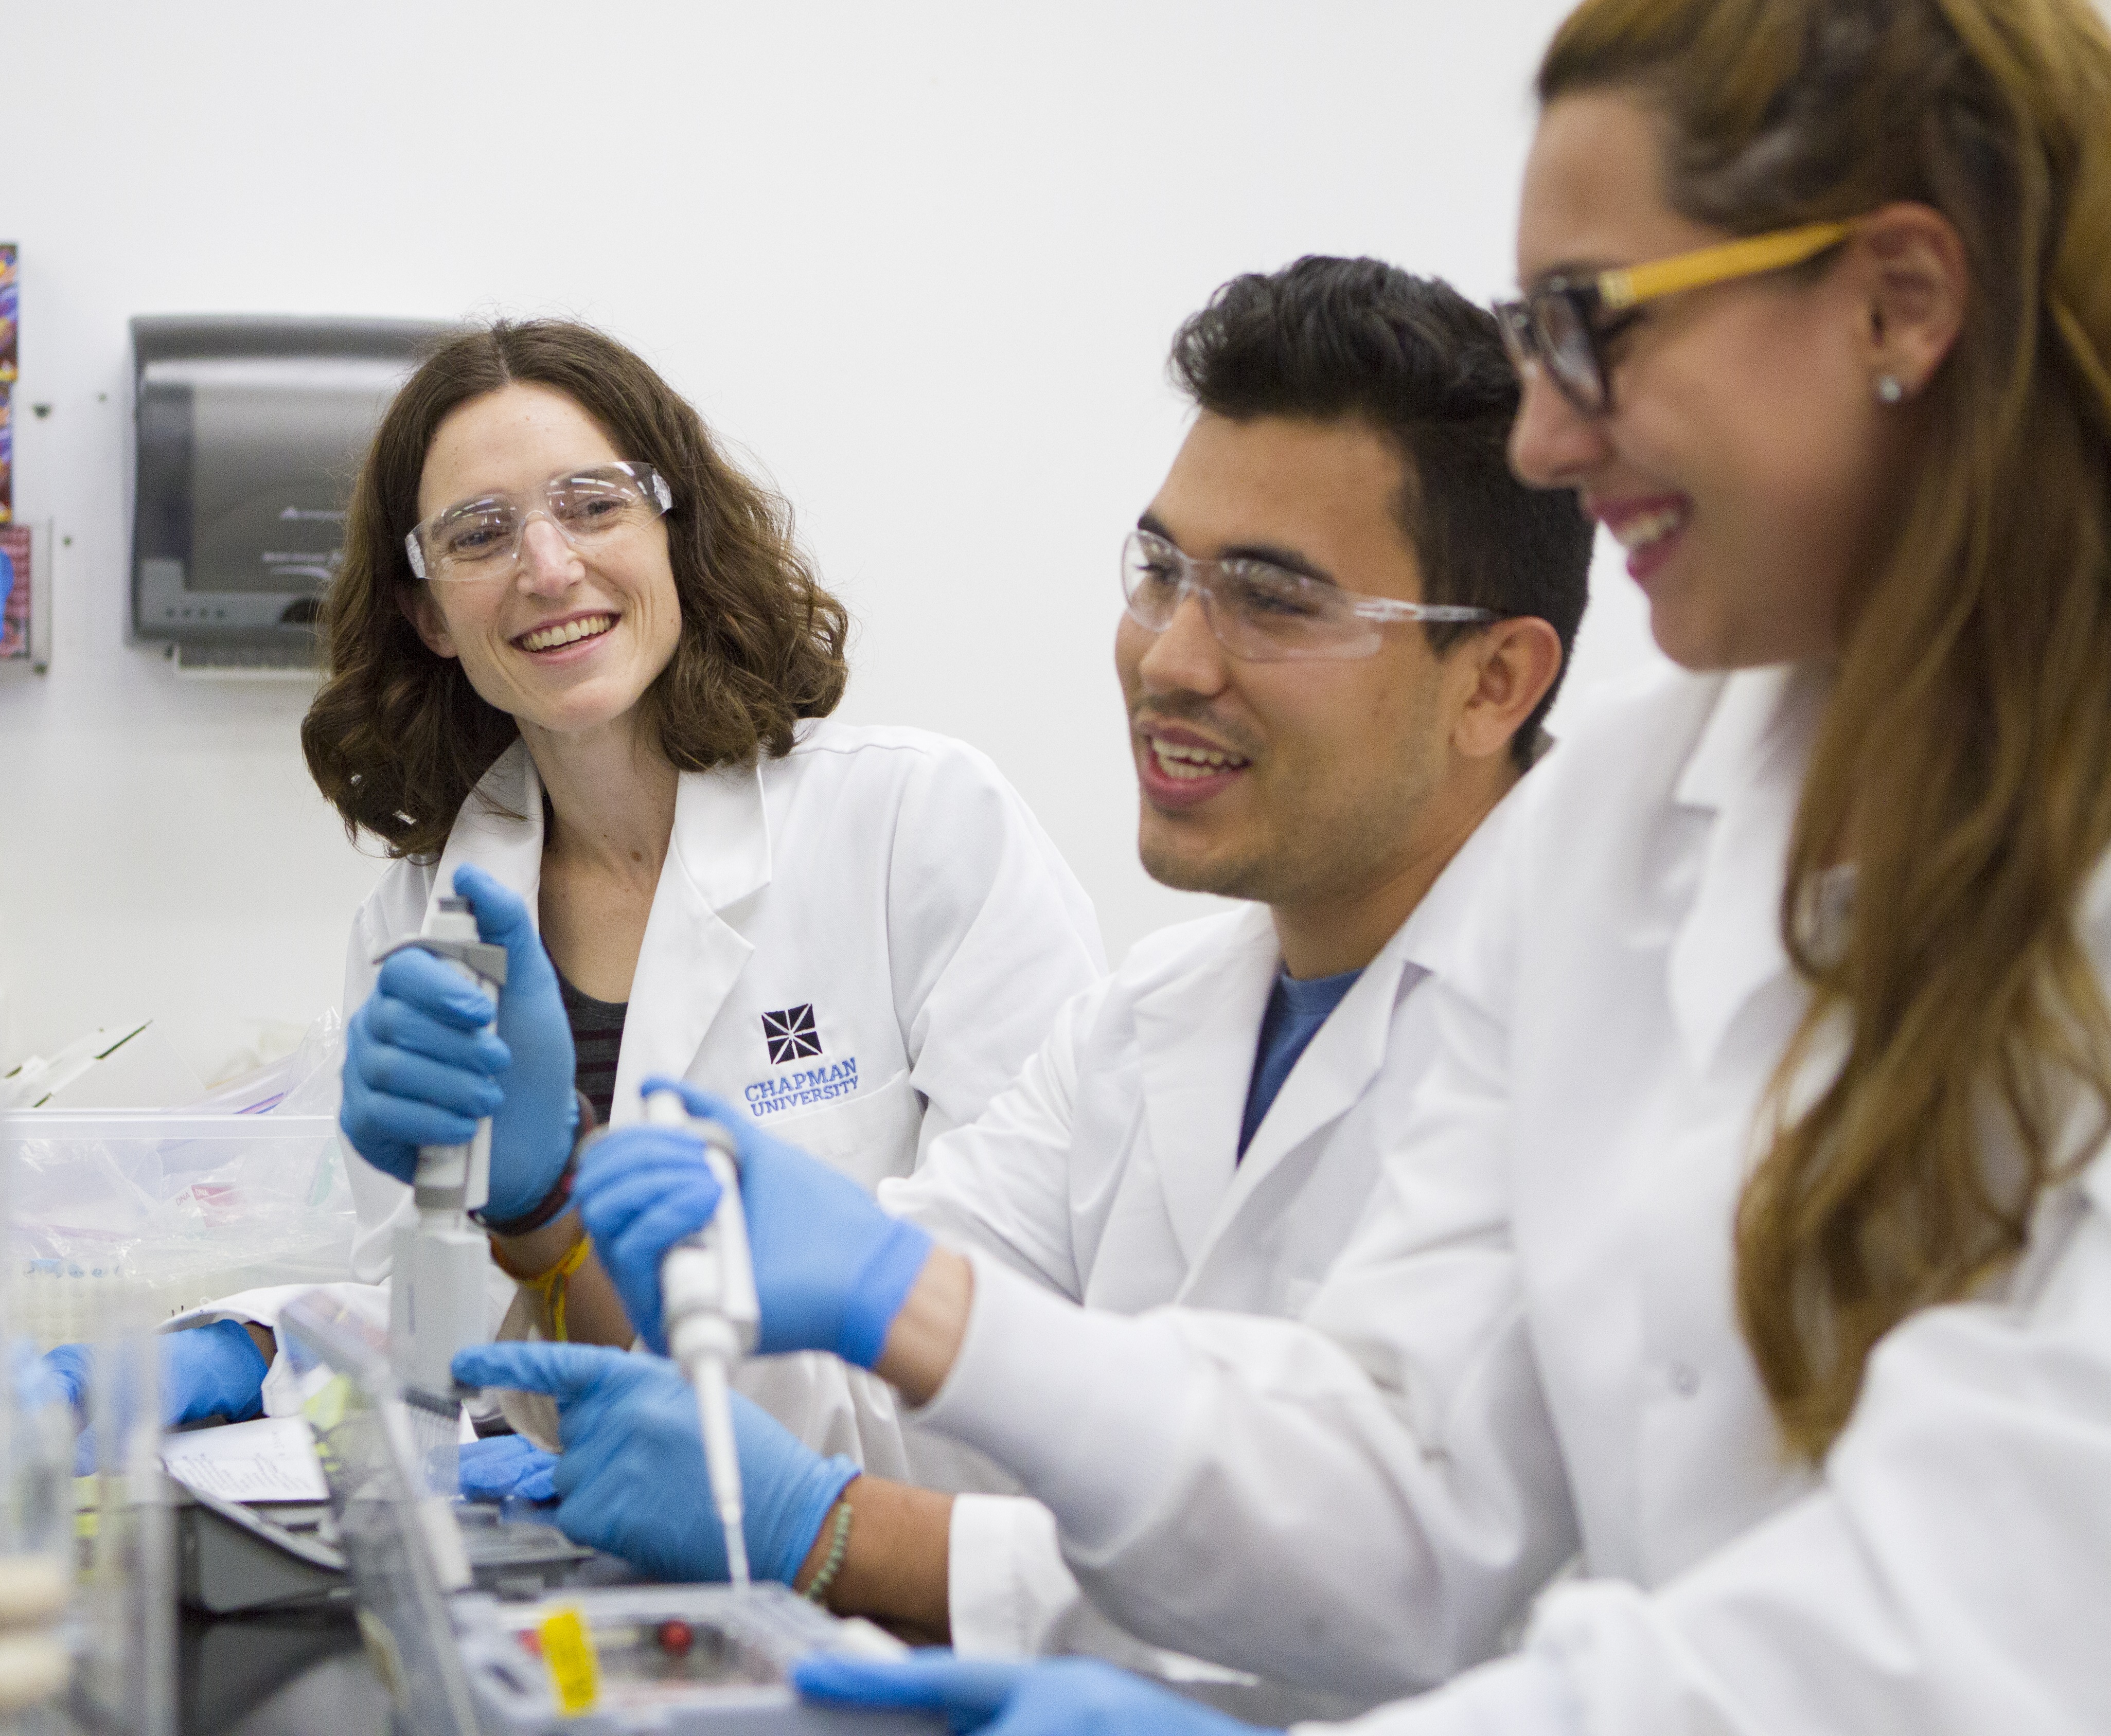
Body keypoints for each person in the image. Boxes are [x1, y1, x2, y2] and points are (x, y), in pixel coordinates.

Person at [481, 0, 2111, 1728]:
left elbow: (1974, 1623)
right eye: (1161, 571)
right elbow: (1409, 1485)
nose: (1550, 436)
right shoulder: (1633, 819)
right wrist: (925, 1302)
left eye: (1589, 326)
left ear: (1900, 303)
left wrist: (861, 1505)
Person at [463, 256, 1588, 1702]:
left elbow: (1421, 1590)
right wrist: (549, 1211)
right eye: (1163, 572)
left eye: (1273, 600)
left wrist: (841, 1539)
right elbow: (848, 1417)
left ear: (1494, 683)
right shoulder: (1153, 1024)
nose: (1172, 658)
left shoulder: (1601, 1042)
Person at [117, 319, 1105, 1454]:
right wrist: (244, 1342)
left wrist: (568, 1247)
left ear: (676, 530)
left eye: (594, 504)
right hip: (574, 1567)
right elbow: (440, 1344)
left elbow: (1028, 1326)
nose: (549, 567)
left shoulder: (921, 827)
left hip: (904, 1573)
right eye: (481, 534)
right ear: (428, 612)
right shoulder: (417, 928)